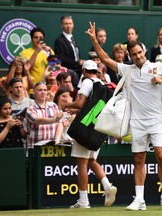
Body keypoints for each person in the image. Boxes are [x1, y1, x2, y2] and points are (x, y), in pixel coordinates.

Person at [86, 21, 162, 210]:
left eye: (140, 52)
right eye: (134, 55)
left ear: (144, 51)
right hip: (137, 122)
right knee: (139, 159)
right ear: (130, 56)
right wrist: (94, 40)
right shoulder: (128, 70)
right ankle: (139, 200)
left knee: (161, 156)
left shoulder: (159, 66)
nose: (138, 56)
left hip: (157, 120)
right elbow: (106, 59)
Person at [65, 60, 117, 209]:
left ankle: (83, 201)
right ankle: (107, 186)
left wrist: (66, 105)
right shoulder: (103, 84)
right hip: (97, 129)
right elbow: (90, 108)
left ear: (83, 70)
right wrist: (75, 111)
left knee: (81, 164)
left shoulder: (87, 82)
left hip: (84, 129)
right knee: (91, 161)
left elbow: (80, 103)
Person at [25, 82, 63, 149]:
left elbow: (60, 124)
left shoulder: (53, 105)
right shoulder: (30, 109)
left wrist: (57, 141)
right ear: (34, 92)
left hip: (52, 148)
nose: (43, 92)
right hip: (35, 148)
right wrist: (55, 120)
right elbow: (39, 120)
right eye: (40, 90)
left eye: (45, 90)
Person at [20, 27, 54, 95]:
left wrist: (50, 53)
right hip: (32, 91)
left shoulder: (49, 51)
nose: (38, 40)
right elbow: (27, 69)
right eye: (36, 37)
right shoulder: (24, 52)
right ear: (32, 39)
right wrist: (36, 51)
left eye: (40, 38)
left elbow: (54, 69)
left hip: (47, 91)